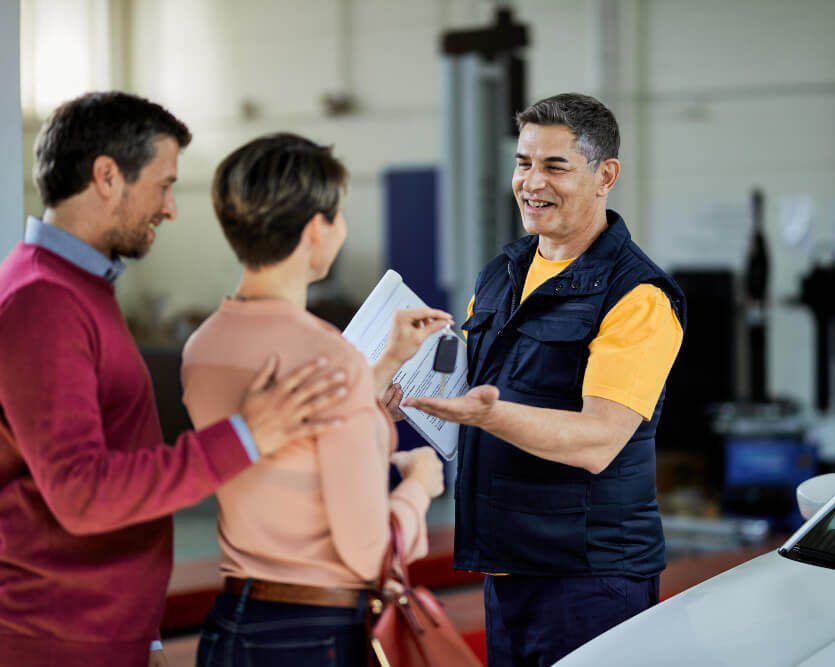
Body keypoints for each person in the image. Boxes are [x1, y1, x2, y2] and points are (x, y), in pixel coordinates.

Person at [0, 93, 347, 667]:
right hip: (57, 640)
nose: (171, 208)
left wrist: (145, 631)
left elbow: (114, 463)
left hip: (103, 629)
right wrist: (245, 436)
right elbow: (82, 494)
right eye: (163, 185)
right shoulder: (44, 301)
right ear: (107, 176)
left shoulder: (79, 288)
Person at [405, 93, 687, 666]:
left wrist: (488, 414)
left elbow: (598, 440)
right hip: (507, 567)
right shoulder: (503, 272)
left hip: (591, 578)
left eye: (555, 166)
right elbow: (468, 386)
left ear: (605, 175)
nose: (532, 182)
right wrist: (408, 394)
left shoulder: (637, 297)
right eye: (523, 162)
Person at [180, 133, 450, 667]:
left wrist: (386, 364)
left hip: (232, 624)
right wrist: (420, 486)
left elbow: (291, 444)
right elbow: (371, 550)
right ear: (315, 229)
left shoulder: (202, 348)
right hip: (312, 637)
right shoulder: (328, 357)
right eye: (340, 214)